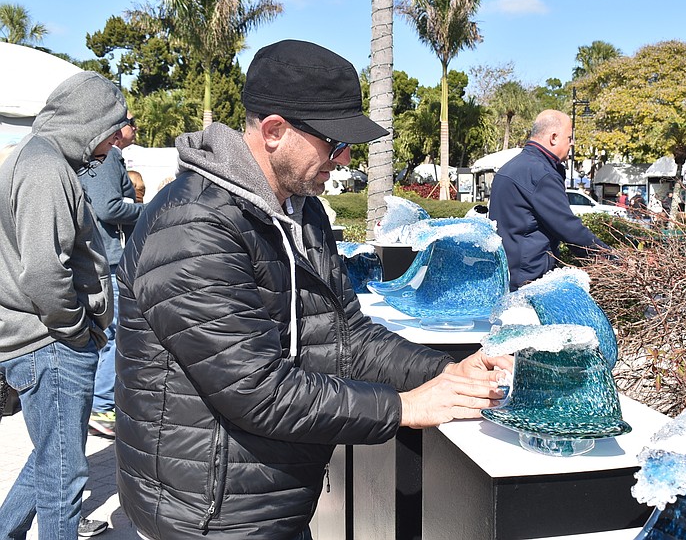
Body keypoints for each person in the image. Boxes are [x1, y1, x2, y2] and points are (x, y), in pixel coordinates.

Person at [114, 39, 510, 540]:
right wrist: (406, 407)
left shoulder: (304, 212)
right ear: (275, 131)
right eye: (333, 142)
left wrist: (448, 371)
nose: (343, 159)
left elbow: (348, 337)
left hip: (269, 498)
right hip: (208, 515)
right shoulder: (192, 227)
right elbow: (256, 390)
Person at [0, 71, 128, 539]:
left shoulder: (38, 160)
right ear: (88, 121)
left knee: (50, 458)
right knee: (63, 478)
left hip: (48, 341)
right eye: (113, 127)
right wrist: (76, 331)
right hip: (51, 344)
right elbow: (43, 271)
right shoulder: (43, 167)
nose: (116, 140)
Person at [487, 109, 612, 291]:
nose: (572, 143)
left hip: (506, 274)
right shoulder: (541, 173)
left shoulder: (510, 167)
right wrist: (611, 259)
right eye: (569, 138)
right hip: (529, 282)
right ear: (553, 138)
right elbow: (568, 229)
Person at [78, 113, 146, 439]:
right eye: (132, 120)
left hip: (93, 259)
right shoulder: (109, 156)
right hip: (110, 261)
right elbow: (108, 208)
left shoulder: (89, 156)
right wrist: (148, 209)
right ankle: (102, 407)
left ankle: (94, 404)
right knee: (115, 333)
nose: (135, 127)